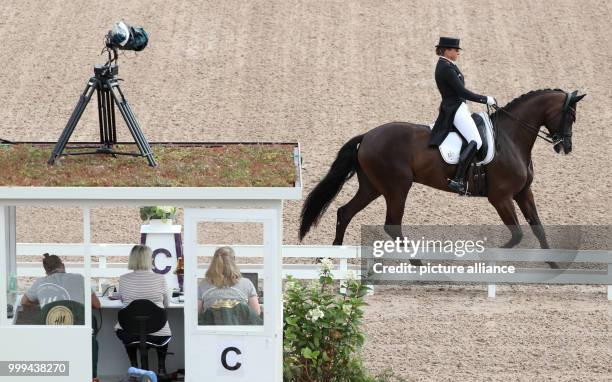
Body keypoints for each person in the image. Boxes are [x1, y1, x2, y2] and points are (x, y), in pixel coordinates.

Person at [429, 36, 497, 194]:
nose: (458, 52)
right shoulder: (445, 67)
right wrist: (486, 99)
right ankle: (458, 179)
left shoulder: (448, 64)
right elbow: (462, 92)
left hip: (458, 106)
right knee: (476, 141)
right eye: (455, 50)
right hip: (454, 108)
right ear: (446, 50)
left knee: (473, 139)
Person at [20, 253, 101, 382]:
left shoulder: (40, 282)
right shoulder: (79, 278)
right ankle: (92, 376)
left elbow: (24, 302)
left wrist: (43, 302)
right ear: (63, 265)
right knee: (91, 327)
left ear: (46, 270)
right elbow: (97, 304)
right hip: (79, 335)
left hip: (52, 336)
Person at [114, 245, 171, 377]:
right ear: (149, 259)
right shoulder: (160, 278)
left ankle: (134, 368)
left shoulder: (123, 279)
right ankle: (161, 369)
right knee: (164, 331)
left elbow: (123, 301)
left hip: (130, 331)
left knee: (124, 329)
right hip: (159, 331)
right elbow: (166, 304)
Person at [198, 246, 261, 317]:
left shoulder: (203, 284)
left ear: (214, 261)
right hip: (239, 327)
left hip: (212, 327)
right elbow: (256, 313)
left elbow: (196, 312)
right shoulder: (246, 284)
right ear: (233, 259)